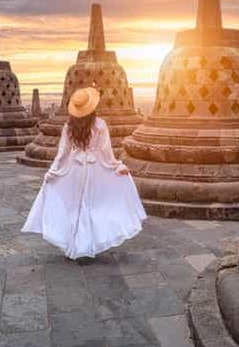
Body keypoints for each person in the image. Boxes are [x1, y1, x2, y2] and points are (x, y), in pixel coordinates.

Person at [22, 87, 147, 259]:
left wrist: (54, 171)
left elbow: (63, 153)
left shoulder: (68, 127)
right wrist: (116, 166)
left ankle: (76, 244)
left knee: (75, 206)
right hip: (95, 169)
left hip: (73, 169)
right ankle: (87, 245)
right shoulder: (100, 125)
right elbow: (106, 152)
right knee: (92, 206)